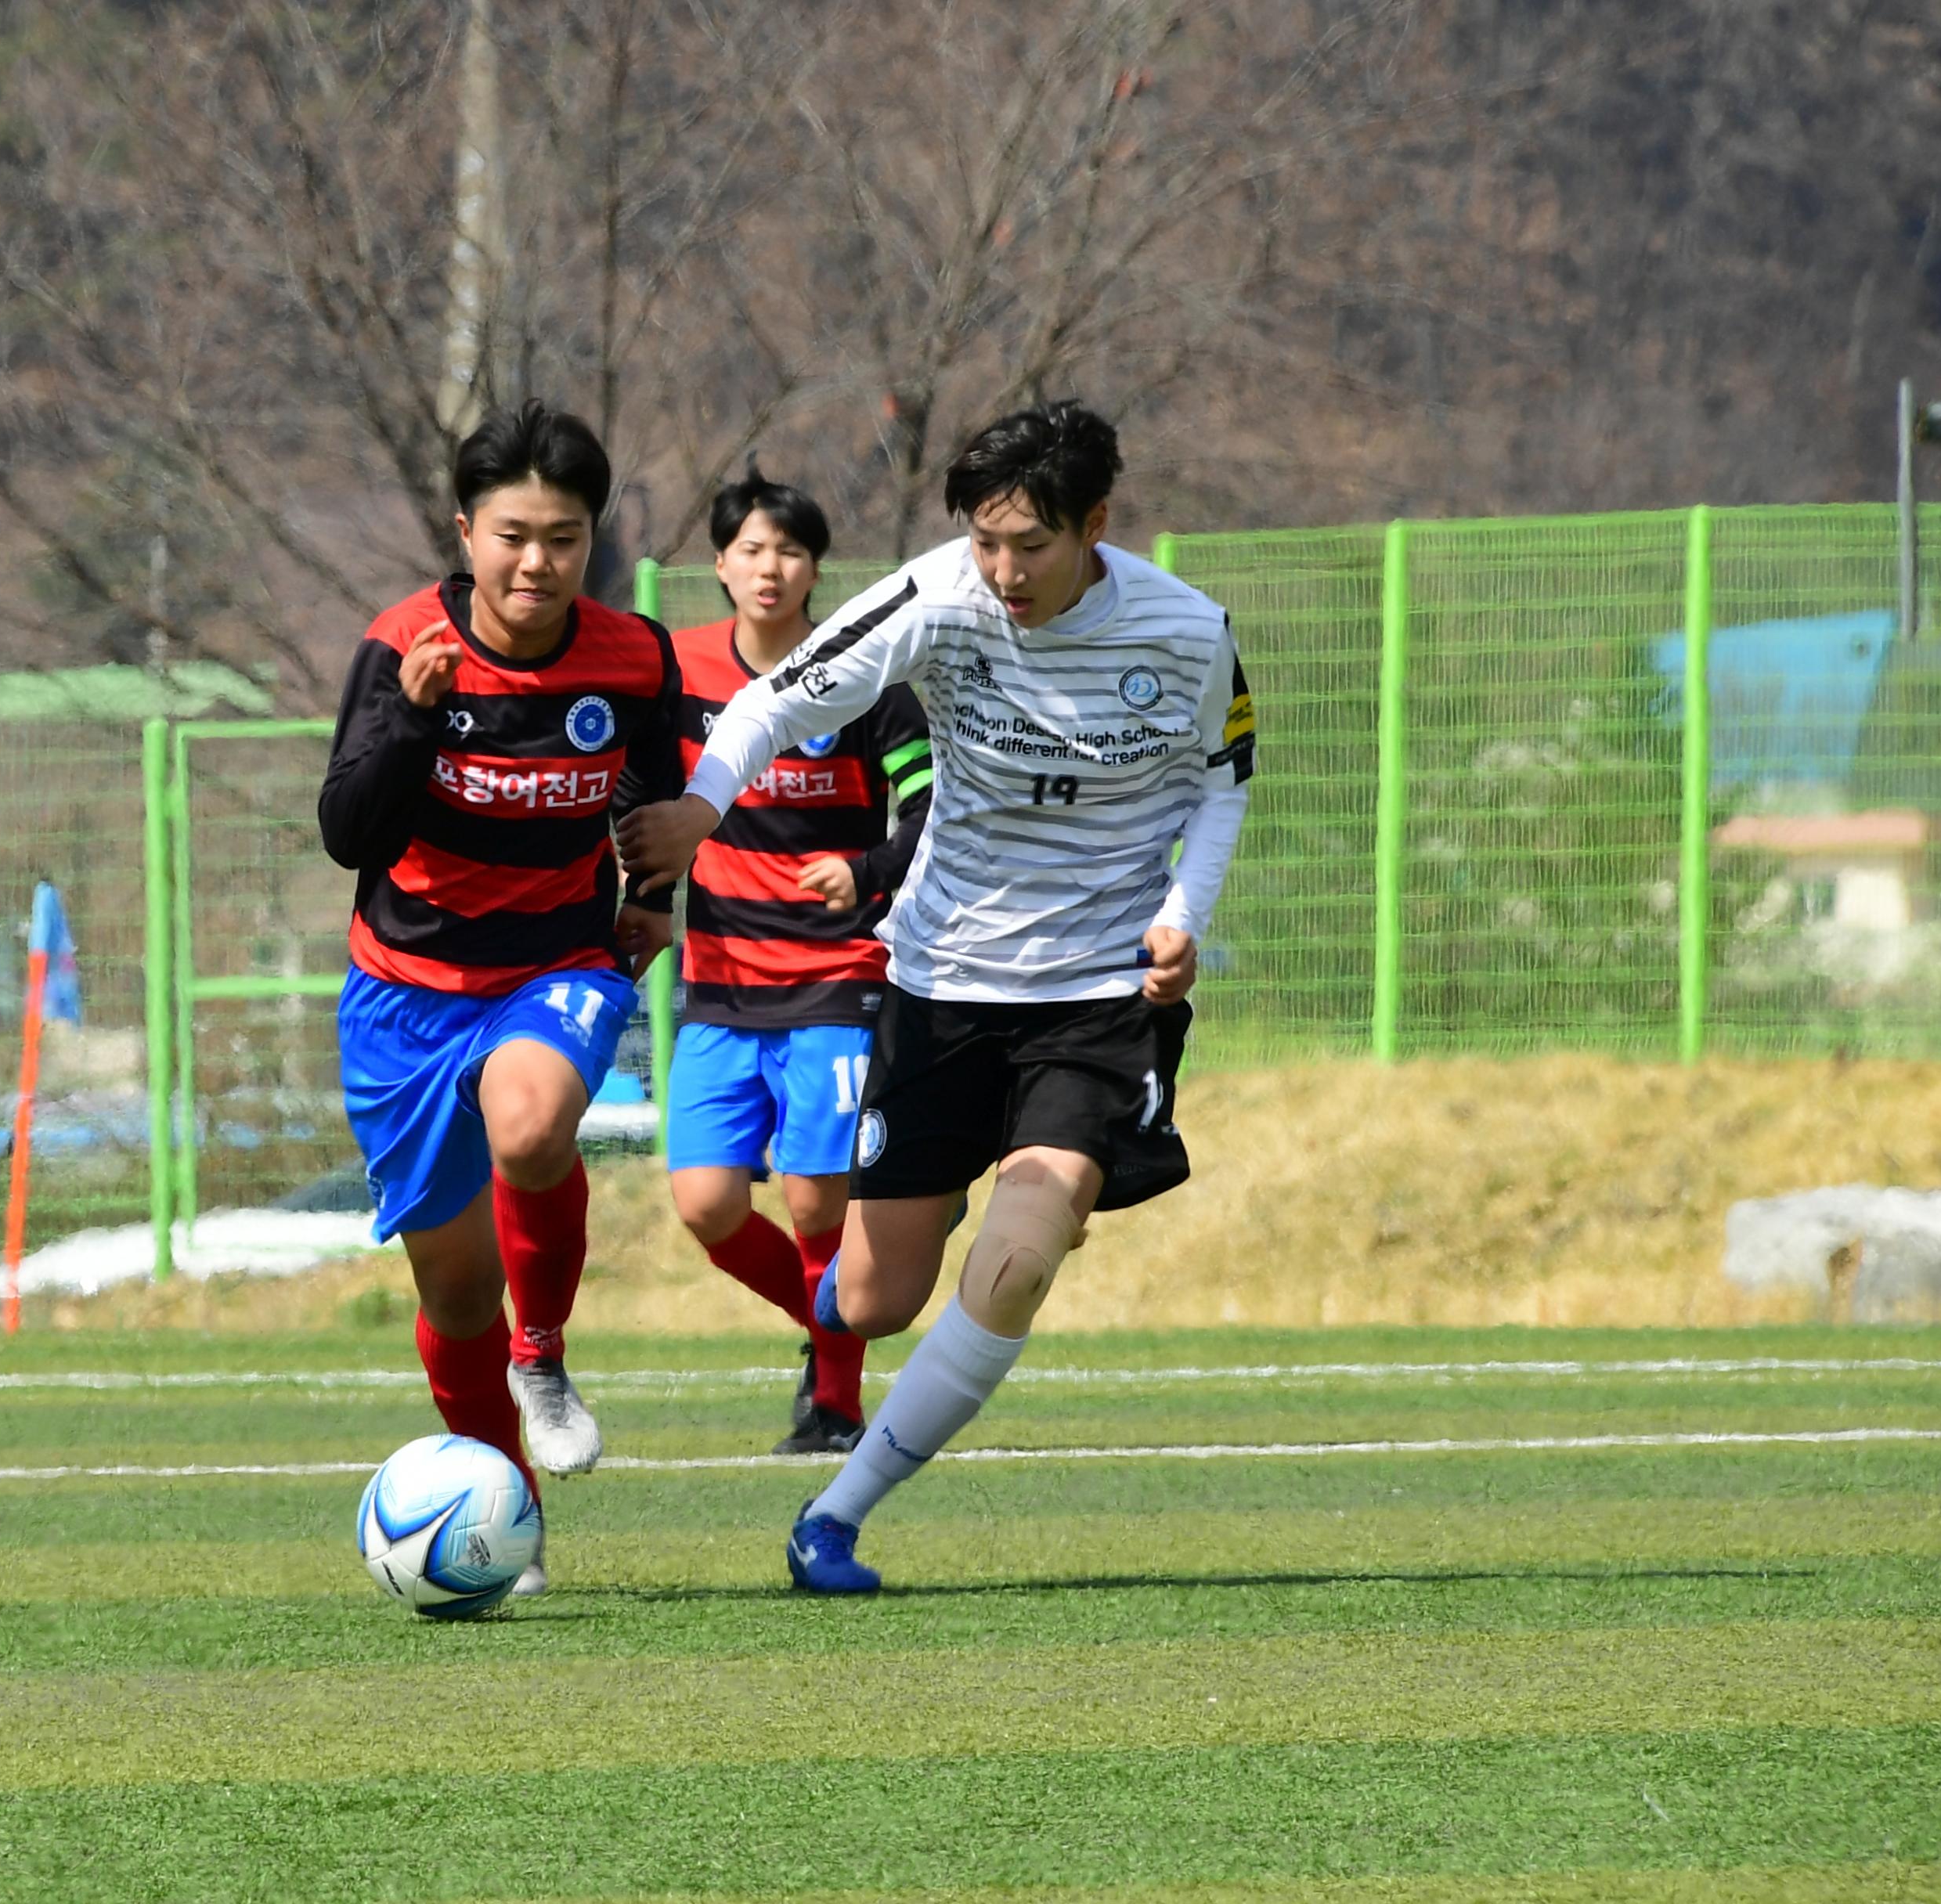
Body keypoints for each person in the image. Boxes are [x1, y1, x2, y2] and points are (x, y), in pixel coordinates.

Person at [619, 399, 1255, 1592]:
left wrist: (1184, 920)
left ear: (1097, 528)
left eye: (1032, 545)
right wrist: (702, 812)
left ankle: (835, 1518)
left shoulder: (1186, 629)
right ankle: (940, 1212)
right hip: (943, 985)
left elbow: (1223, 779)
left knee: (1023, 1253)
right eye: (986, 541)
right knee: (871, 1300)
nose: (1004, 571)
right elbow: (773, 701)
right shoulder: (935, 597)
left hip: (1099, 996)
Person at [319, 399, 682, 1596]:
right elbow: (347, 833)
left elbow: (652, 795)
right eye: (515, 534)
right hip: (405, 994)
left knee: (531, 1125)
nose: (538, 562)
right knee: (454, 1292)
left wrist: (650, 900)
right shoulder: (401, 645)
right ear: (466, 530)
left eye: (565, 538)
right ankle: (495, 1510)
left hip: (555, 966)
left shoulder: (633, 656)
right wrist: (417, 718)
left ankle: (545, 1357)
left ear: (592, 541)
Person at [663, 471, 932, 1454]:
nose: (769, 568)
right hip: (721, 980)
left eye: (789, 550)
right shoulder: (681, 675)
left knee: (819, 1195)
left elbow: (927, 809)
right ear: (721, 565)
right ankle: (828, 1330)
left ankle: (835, 1402)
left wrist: (863, 870)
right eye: (750, 549)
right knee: (706, 1201)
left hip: (839, 974)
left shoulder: (866, 674)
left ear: (817, 568)